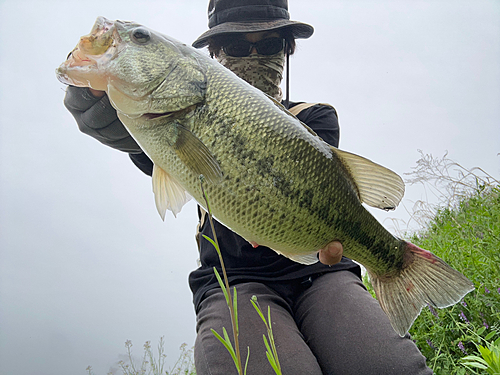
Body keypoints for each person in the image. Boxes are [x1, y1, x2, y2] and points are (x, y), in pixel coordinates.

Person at [64, 1, 433, 373]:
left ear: (287, 50)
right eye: (238, 48)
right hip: (234, 281)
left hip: (323, 272)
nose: (254, 56)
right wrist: (93, 99)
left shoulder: (315, 116)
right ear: (215, 54)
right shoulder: (157, 123)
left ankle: (395, 263)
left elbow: (327, 189)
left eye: (270, 44)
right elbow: (128, 139)